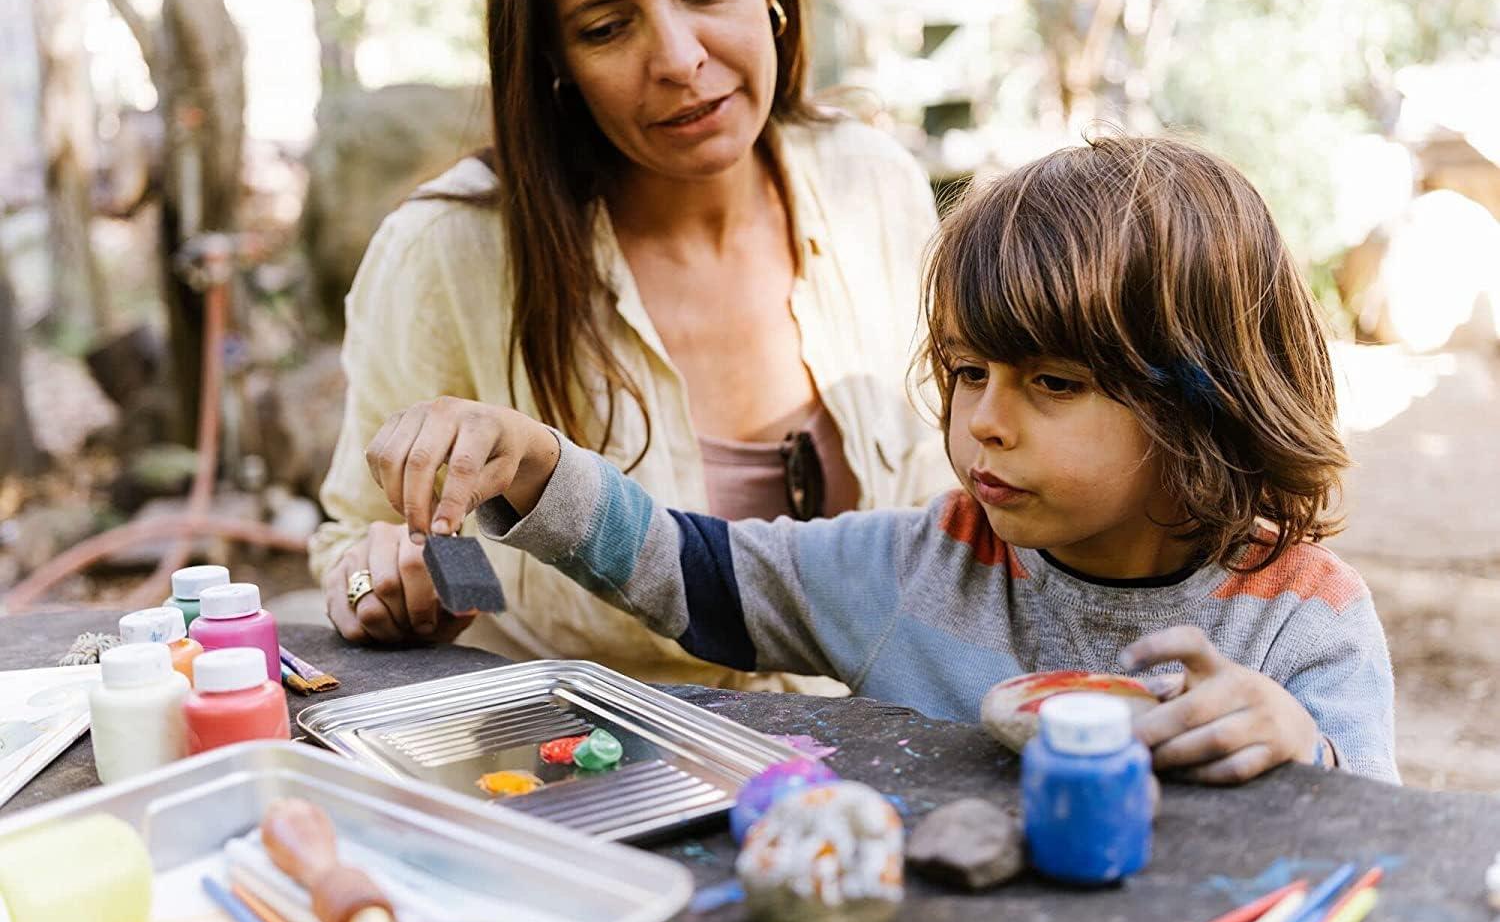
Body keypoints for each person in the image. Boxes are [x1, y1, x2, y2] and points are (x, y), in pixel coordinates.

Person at [362, 135, 1400, 785]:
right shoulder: (927, 566)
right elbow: (700, 576)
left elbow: (1387, 862)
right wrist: (537, 467)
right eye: (965, 371)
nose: (984, 422)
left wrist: (1300, 751)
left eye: (1052, 384)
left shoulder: (1303, 620)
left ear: (1203, 402)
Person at [309, 0, 952, 690]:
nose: (679, 60)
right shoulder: (446, 254)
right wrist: (385, 583)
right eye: (608, 28)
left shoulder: (874, 185)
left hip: (864, 779)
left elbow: (950, 511)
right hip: (585, 783)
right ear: (555, 57)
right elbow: (359, 536)